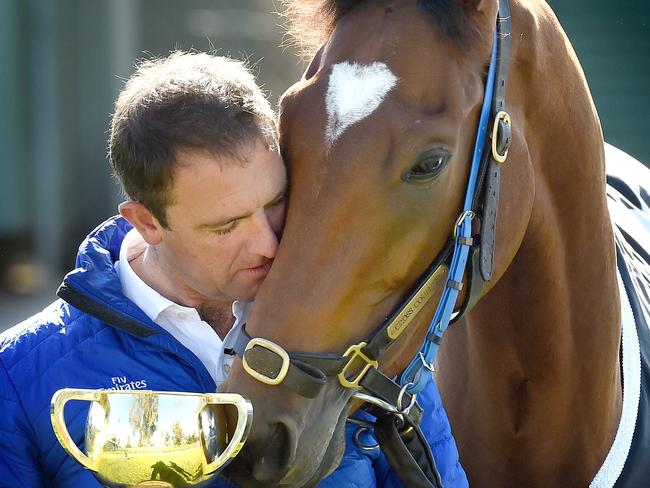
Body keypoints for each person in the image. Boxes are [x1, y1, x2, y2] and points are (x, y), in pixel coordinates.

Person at [0, 51, 466, 487]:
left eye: (276, 201)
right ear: (148, 222)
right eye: (226, 226)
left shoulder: (365, 328)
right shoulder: (18, 377)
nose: (267, 243)